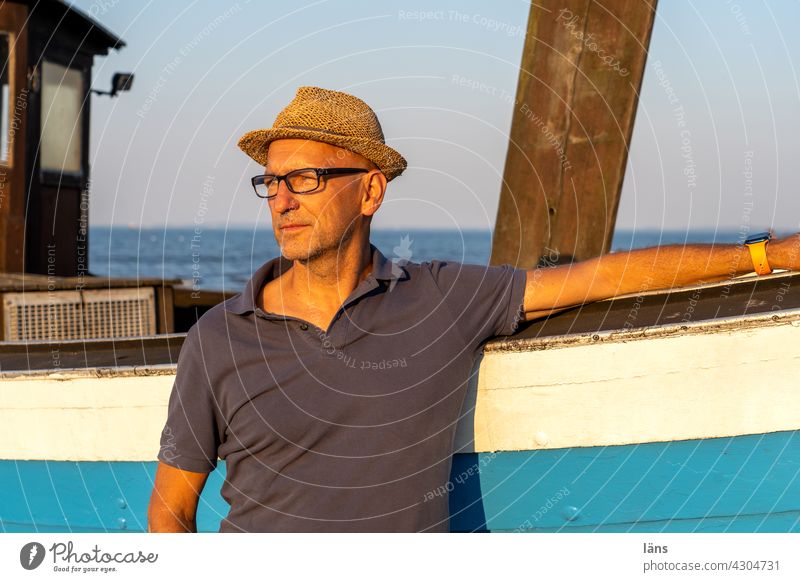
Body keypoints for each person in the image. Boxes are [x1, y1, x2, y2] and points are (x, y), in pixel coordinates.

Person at [147, 86, 800, 532]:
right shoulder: (218, 339)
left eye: (306, 179)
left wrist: (768, 257)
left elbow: (599, 277)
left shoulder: (443, 299)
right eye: (272, 182)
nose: (282, 200)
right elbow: (171, 513)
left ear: (370, 191)